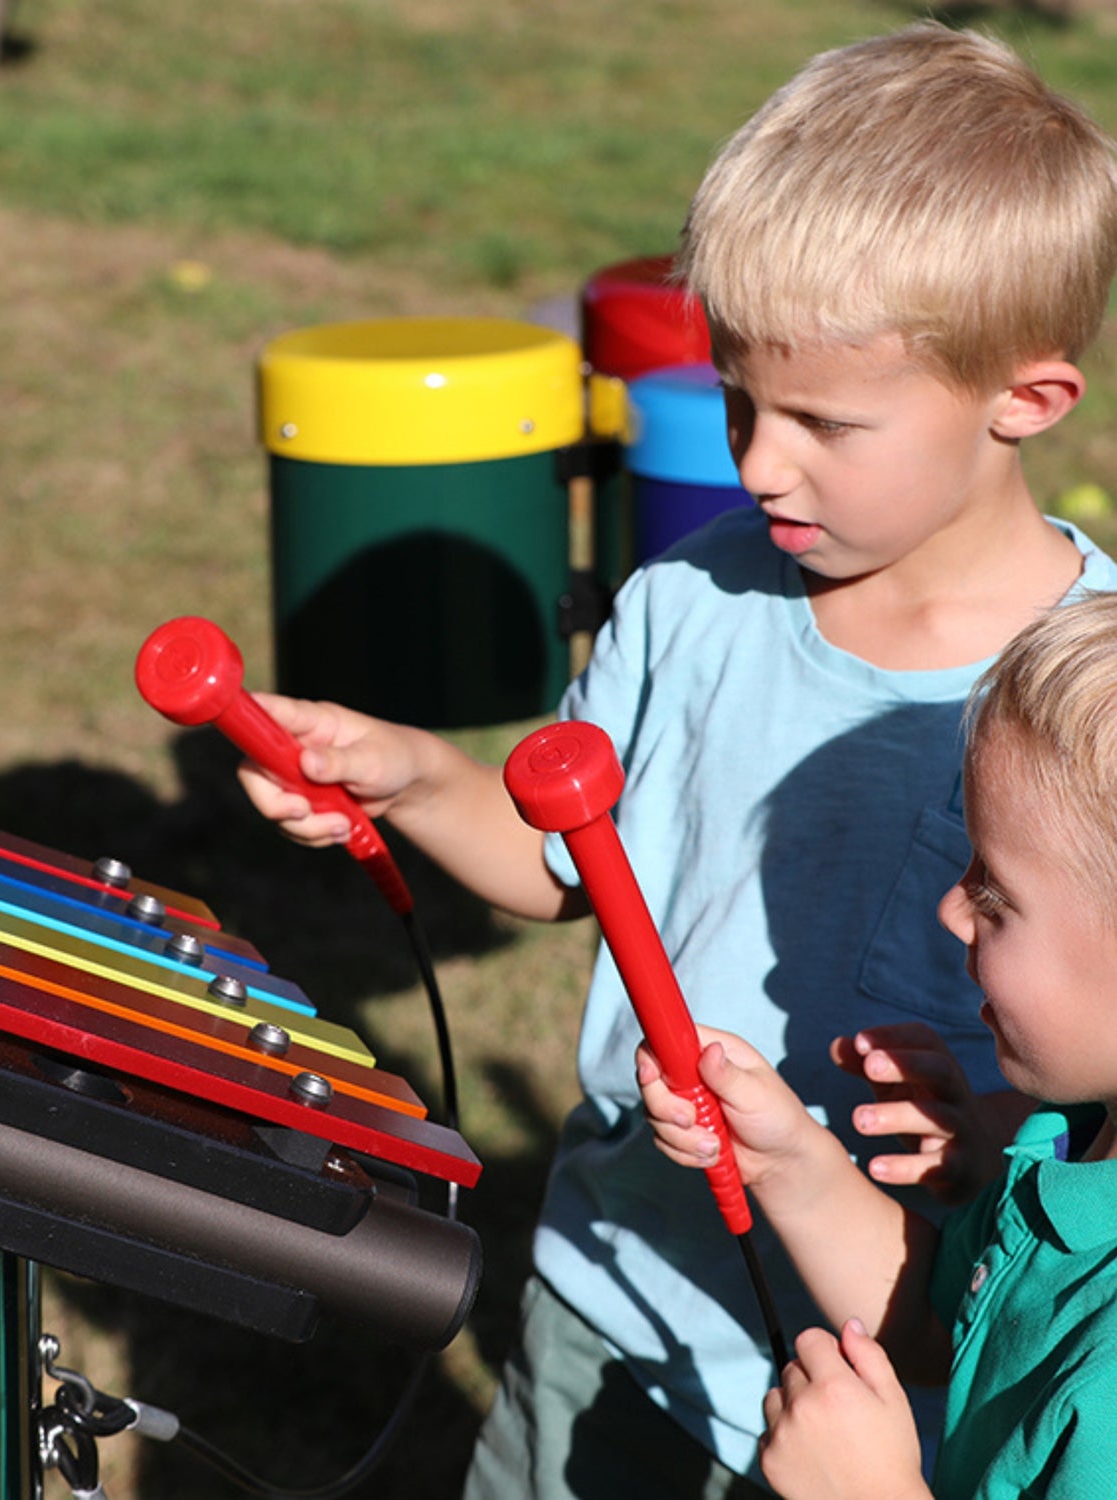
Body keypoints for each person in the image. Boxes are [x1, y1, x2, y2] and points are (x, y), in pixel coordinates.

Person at [237, 23, 1117, 1497]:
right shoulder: (694, 599)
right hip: (616, 1276)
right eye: (737, 402)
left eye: (828, 423)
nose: (761, 463)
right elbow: (573, 865)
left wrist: (984, 1145)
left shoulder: (1085, 694)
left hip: (908, 1331)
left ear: (1024, 402)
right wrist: (422, 783)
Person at [639, 591, 1117, 1498]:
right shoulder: (1080, 1140)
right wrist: (788, 1163)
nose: (950, 906)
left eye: (997, 897)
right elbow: (951, 1317)